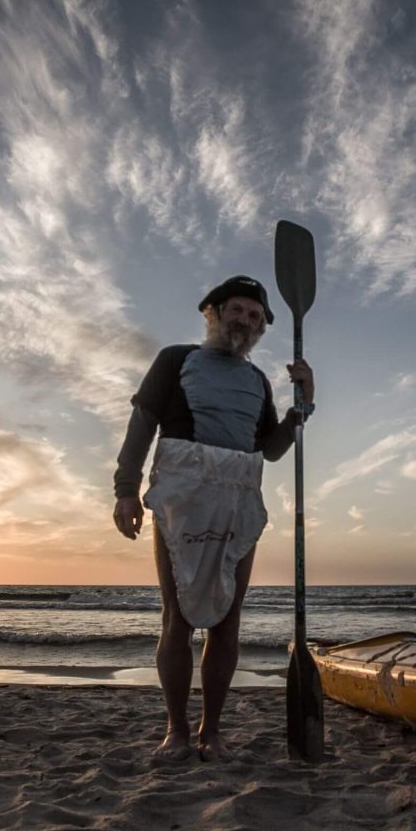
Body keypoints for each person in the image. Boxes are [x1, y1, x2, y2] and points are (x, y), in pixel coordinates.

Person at [112, 275, 314, 762]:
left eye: (255, 316)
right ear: (214, 314)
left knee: (227, 620)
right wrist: (125, 490)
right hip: (183, 496)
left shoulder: (258, 382)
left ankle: (211, 732)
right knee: (177, 617)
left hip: (237, 499)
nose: (245, 320)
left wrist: (299, 409)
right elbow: (142, 424)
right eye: (237, 310)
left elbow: (269, 451)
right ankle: (176, 731)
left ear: (261, 327)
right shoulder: (176, 361)